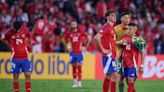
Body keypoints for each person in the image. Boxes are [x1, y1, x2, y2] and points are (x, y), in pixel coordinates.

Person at [114, 11, 140, 92]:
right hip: (120, 56)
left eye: (129, 17)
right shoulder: (116, 28)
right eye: (125, 17)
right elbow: (112, 41)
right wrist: (120, 42)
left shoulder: (133, 28)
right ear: (121, 19)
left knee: (131, 80)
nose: (127, 19)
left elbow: (139, 39)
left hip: (131, 56)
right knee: (121, 78)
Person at [4, 21, 32, 92]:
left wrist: (26, 43)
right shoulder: (9, 32)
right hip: (15, 58)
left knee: (27, 74)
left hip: (25, 57)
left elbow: (29, 36)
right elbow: (4, 39)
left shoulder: (25, 30)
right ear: (13, 27)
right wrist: (11, 46)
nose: (17, 31)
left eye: (18, 29)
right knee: (16, 77)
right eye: (16, 29)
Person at [94, 10, 118, 92]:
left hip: (112, 56)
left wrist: (115, 56)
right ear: (107, 17)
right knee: (115, 76)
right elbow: (97, 37)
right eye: (112, 15)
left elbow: (112, 43)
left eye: (115, 15)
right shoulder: (106, 27)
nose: (114, 17)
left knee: (109, 77)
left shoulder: (112, 29)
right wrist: (103, 49)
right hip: (108, 56)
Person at [118, 23, 144, 92]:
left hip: (132, 64)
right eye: (127, 29)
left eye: (130, 29)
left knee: (131, 80)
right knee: (128, 82)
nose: (128, 31)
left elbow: (142, 52)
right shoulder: (124, 37)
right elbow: (121, 48)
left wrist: (141, 66)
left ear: (135, 29)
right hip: (124, 63)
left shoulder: (137, 40)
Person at [64, 21, 89, 88]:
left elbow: (88, 39)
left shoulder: (80, 33)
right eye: (72, 24)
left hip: (79, 53)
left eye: (74, 24)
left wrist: (85, 47)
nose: (73, 25)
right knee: (74, 67)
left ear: (76, 25)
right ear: (71, 25)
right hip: (72, 53)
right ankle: (75, 83)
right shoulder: (69, 33)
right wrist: (67, 47)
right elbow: (65, 40)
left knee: (79, 66)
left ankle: (79, 82)